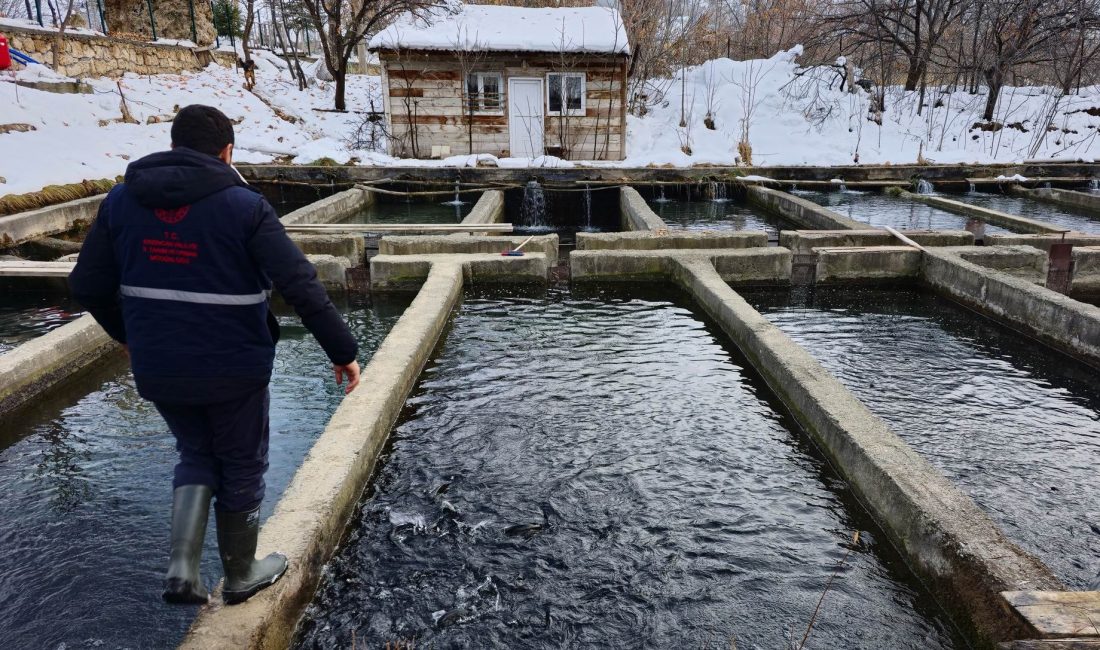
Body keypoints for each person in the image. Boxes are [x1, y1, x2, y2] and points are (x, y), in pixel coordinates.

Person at [68, 104, 361, 606]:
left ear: (174, 144)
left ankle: (182, 569)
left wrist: (130, 335)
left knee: (196, 452)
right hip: (233, 365)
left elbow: (88, 286)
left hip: (160, 366)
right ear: (228, 152)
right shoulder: (244, 206)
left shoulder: (120, 202)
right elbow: (299, 284)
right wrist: (343, 350)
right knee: (242, 463)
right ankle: (242, 572)